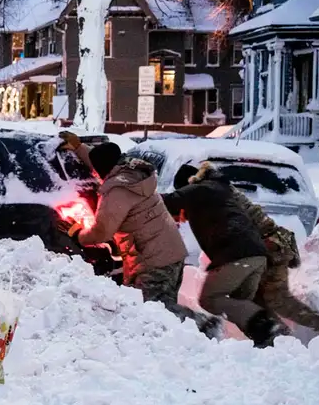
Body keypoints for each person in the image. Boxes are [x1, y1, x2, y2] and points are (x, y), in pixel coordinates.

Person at [175, 163, 319, 356]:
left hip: (269, 245)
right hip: (264, 246)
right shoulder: (218, 190)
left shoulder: (212, 195)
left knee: (277, 300)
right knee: (257, 303)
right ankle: (282, 344)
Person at [56, 132, 221, 339]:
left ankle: (204, 325)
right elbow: (101, 161)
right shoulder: (131, 172)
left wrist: (78, 234)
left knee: (153, 310)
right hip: (170, 252)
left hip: (154, 260)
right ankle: (176, 345)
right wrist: (80, 148)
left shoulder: (118, 190)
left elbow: (102, 231)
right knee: (159, 309)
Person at [163, 163, 286, 348]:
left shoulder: (199, 189)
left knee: (209, 298)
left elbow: (168, 200)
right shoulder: (218, 189)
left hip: (237, 254)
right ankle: (280, 343)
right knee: (242, 305)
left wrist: (140, 198)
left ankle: (270, 328)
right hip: (255, 254)